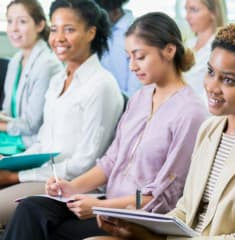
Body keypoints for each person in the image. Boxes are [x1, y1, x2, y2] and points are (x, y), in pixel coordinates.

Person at [91, 17, 235, 240]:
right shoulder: (211, 129)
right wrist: (140, 229)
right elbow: (185, 210)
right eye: (211, 72)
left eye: (229, 80)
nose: (212, 87)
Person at [3, 12, 207, 240]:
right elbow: (110, 162)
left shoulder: (191, 113)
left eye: (139, 57)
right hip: (107, 207)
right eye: (128, 57)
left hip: (136, 218)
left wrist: (103, 206)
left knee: (45, 228)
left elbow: (162, 197)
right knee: (32, 209)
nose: (132, 66)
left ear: (169, 51)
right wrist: (71, 187)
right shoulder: (141, 98)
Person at [0, 0, 123, 229]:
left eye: (69, 29)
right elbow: (43, 142)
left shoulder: (101, 85)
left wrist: (15, 177)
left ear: (90, 33)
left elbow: (85, 162)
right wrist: (9, 164)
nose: (58, 38)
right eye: (55, 29)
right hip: (45, 175)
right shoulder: (58, 81)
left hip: (70, 186)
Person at [0, 0, 63, 156]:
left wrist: (2, 125)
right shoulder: (15, 60)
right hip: (11, 137)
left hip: (31, 143)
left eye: (22, 21)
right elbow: (7, 112)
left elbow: (32, 125)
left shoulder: (47, 64)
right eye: (9, 21)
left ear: (40, 25)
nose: (14, 28)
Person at [95, 0, 141, 97]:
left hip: (126, 102)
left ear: (116, 12)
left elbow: (136, 84)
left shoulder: (136, 32)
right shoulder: (100, 31)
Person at [184, 0, 226, 102]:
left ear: (213, 13)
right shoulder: (188, 45)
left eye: (194, 10)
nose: (187, 17)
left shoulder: (221, 48)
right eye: (186, 10)